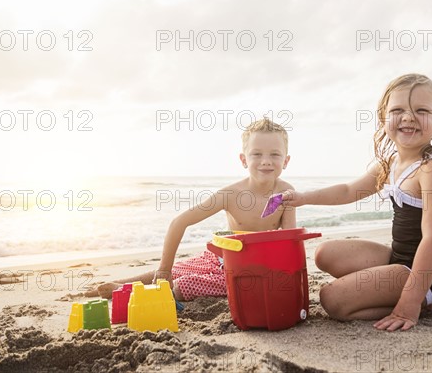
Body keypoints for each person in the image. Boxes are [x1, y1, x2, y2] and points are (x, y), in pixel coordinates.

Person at [281, 73, 432, 332]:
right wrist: (303, 198)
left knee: (332, 300)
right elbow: (348, 190)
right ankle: (392, 290)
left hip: (428, 276)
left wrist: (407, 306)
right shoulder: (392, 164)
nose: (408, 117)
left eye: (421, 110)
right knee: (324, 254)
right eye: (398, 110)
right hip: (399, 260)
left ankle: (424, 301)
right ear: (383, 118)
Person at [86, 118, 295, 300]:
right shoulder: (230, 195)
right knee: (176, 270)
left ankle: (137, 293)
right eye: (256, 154)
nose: (265, 161)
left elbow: (290, 242)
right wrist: (164, 270)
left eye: (274, 155)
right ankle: (120, 285)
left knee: (185, 284)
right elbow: (179, 222)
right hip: (222, 259)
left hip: (253, 271)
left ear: (285, 161)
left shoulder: (286, 194)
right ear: (243, 159)